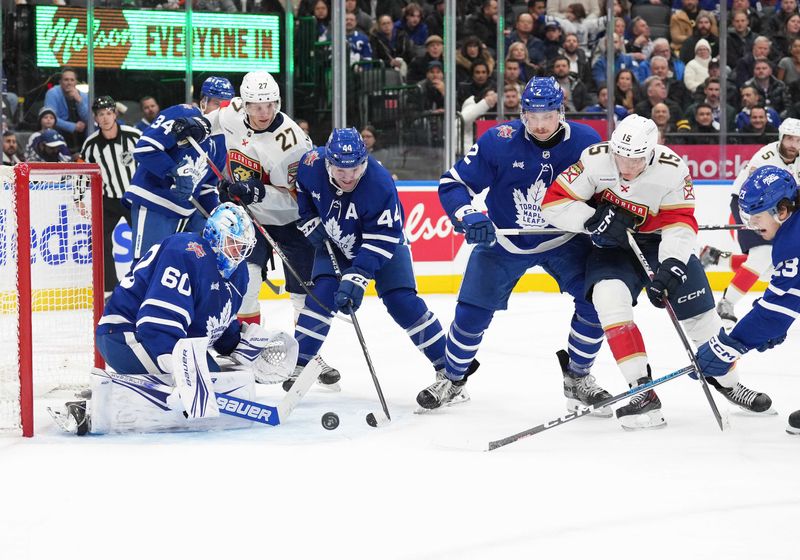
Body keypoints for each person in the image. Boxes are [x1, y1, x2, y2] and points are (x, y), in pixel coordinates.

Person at [541, 115, 772, 429]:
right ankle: (642, 391)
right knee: (609, 300)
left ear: (650, 152)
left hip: (660, 243)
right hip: (612, 247)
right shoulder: (595, 160)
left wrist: (672, 266)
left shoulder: (672, 168)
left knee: (701, 318)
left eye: (634, 159)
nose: (625, 167)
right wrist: (593, 219)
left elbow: (680, 224)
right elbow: (553, 203)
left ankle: (730, 383)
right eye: (620, 157)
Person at [416, 77, 613, 415]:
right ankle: (452, 376)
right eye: (531, 115)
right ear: (521, 112)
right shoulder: (498, 140)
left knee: (595, 300)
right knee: (471, 313)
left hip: (564, 240)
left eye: (547, 116)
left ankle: (578, 378)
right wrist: (467, 215)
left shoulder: (587, 141)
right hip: (505, 241)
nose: (538, 124)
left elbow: (606, 190)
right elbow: (453, 183)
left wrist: (606, 214)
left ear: (561, 112)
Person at [55, 203, 290, 435]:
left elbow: (217, 324)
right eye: (233, 244)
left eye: (242, 247)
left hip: (176, 341)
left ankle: (147, 389)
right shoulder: (186, 251)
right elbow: (156, 321)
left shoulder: (238, 274)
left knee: (216, 379)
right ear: (215, 236)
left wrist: (239, 345)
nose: (237, 253)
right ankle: (90, 408)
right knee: (194, 387)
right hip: (126, 335)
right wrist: (177, 368)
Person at [286, 128, 449, 397]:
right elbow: (302, 190)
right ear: (328, 162)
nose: (349, 177)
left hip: (383, 244)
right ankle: (299, 363)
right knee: (321, 296)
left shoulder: (379, 183)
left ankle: (450, 372)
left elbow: (383, 237)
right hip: (337, 240)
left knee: (402, 303)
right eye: (341, 170)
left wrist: (358, 275)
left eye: (356, 169)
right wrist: (308, 217)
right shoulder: (310, 163)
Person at [695, 167, 800, 434]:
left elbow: (774, 312)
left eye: (756, 217)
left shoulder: (791, 243)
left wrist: (726, 347)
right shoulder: (792, 229)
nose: (751, 226)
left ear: (782, 210)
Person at [716, 118, 800, 328]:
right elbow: (751, 195)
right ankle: (726, 303)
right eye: (789, 138)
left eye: (798, 140)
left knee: (776, 264)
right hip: (749, 206)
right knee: (762, 255)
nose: (793, 145)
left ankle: (717, 258)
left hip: (778, 210)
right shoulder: (766, 157)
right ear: (781, 137)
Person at [126, 100, 223, 263]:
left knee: (178, 272)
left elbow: (207, 187)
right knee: (146, 270)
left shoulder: (222, 140)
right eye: (215, 103)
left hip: (186, 213)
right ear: (203, 102)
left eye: (224, 105)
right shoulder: (184, 113)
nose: (219, 110)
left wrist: (217, 215)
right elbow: (145, 149)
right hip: (155, 202)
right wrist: (173, 171)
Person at [80, 95, 142, 296]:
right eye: (100, 114)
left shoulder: (134, 136)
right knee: (101, 241)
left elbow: (150, 160)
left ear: (115, 114)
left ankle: (145, 282)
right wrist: (78, 199)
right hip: (108, 200)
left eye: (108, 113)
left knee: (143, 239)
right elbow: (83, 173)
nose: (105, 118)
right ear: (95, 118)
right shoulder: (91, 145)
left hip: (133, 197)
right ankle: (109, 289)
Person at [44, 67, 90, 152]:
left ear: (76, 82)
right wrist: (73, 126)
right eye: (66, 80)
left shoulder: (83, 96)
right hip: (59, 135)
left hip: (81, 136)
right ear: (60, 82)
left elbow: (89, 119)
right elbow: (50, 119)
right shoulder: (52, 93)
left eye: (72, 80)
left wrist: (79, 101)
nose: (69, 83)